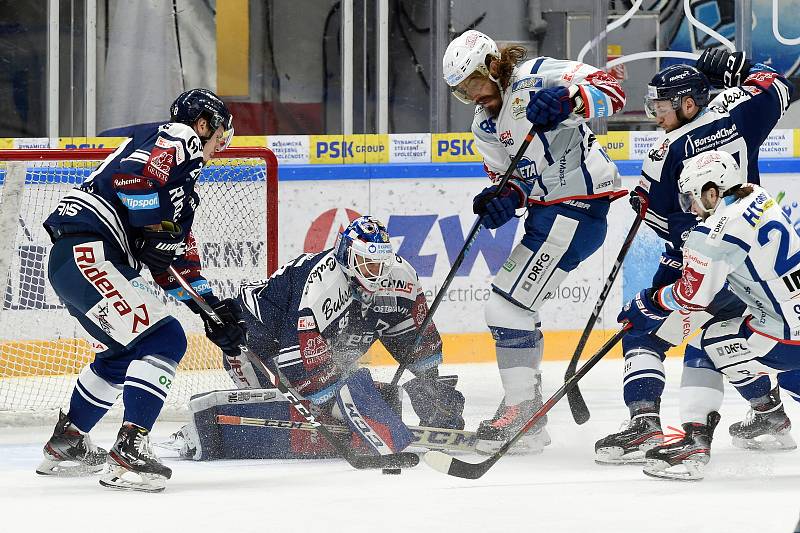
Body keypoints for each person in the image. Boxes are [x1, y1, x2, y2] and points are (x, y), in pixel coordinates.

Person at [37, 88, 247, 492]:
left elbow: (175, 270)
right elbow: (132, 179)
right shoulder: (181, 137)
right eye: (220, 134)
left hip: (74, 261)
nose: (220, 145)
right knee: (165, 338)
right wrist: (155, 227)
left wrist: (212, 310)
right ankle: (129, 453)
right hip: (90, 252)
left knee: (123, 353)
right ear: (203, 124)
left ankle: (68, 442)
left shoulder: (182, 194)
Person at [595, 49, 795, 464]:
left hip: (707, 256)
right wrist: (738, 67)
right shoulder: (734, 111)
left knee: (645, 329)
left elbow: (658, 219)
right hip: (749, 261)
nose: (655, 115)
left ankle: (651, 424)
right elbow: (778, 88)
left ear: (688, 103)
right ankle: (769, 415)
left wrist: (650, 210)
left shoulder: (665, 150)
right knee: (720, 333)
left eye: (662, 106)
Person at [442, 30, 626, 452]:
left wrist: (571, 100)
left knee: (506, 306)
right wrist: (503, 200)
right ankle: (526, 409)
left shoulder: (538, 74)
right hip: (547, 216)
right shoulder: (484, 124)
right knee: (515, 309)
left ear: (492, 65)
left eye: (472, 84)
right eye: (460, 92)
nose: (471, 97)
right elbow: (515, 182)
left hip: (579, 208)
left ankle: (524, 410)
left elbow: (612, 89)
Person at [183, 215, 465, 459]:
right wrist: (354, 408)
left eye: (381, 265)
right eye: (367, 265)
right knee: (291, 410)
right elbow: (301, 368)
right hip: (255, 347)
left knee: (367, 394)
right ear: (347, 257)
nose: (376, 274)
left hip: (314, 353)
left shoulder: (401, 277)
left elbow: (415, 339)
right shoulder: (322, 285)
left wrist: (431, 387)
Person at [617, 150, 800, 480]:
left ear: (712, 192)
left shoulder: (712, 233)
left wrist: (647, 303)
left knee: (707, 343)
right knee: (743, 342)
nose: (691, 209)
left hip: (786, 336)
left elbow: (691, 296)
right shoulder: (757, 195)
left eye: (692, 198)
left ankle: (693, 443)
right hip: (791, 318)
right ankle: (769, 417)